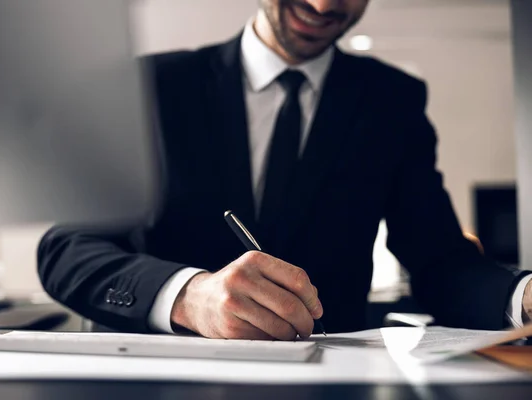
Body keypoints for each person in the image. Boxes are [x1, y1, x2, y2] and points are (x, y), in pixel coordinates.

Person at [37, 0, 532, 340]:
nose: (321, 5)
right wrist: (188, 296)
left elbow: (440, 261)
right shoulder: (148, 86)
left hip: (325, 384)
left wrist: (523, 295)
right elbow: (67, 250)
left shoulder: (392, 102)